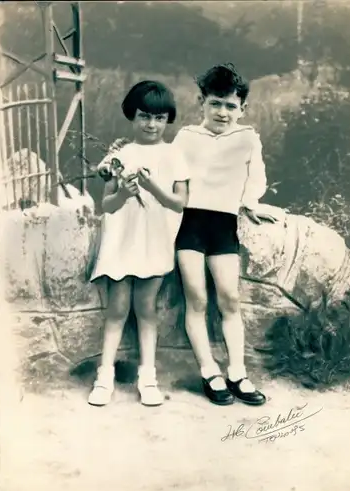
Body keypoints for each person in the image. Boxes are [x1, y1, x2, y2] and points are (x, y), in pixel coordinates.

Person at [172, 63, 277, 406]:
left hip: (223, 225)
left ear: (242, 109)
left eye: (231, 106)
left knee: (229, 298)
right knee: (197, 298)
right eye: (215, 103)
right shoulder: (187, 136)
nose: (222, 112)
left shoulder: (247, 138)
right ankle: (209, 371)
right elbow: (173, 178)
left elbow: (255, 178)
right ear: (201, 102)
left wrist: (250, 203)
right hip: (189, 223)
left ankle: (237, 373)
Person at [88, 80, 190, 407]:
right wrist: (124, 192)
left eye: (159, 118)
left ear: (167, 120)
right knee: (117, 308)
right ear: (132, 116)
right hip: (123, 241)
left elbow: (178, 203)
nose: (151, 124)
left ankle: (148, 376)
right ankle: (104, 375)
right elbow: (107, 206)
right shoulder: (121, 155)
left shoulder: (174, 154)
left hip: (155, 239)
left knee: (146, 308)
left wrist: (151, 187)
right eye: (145, 116)